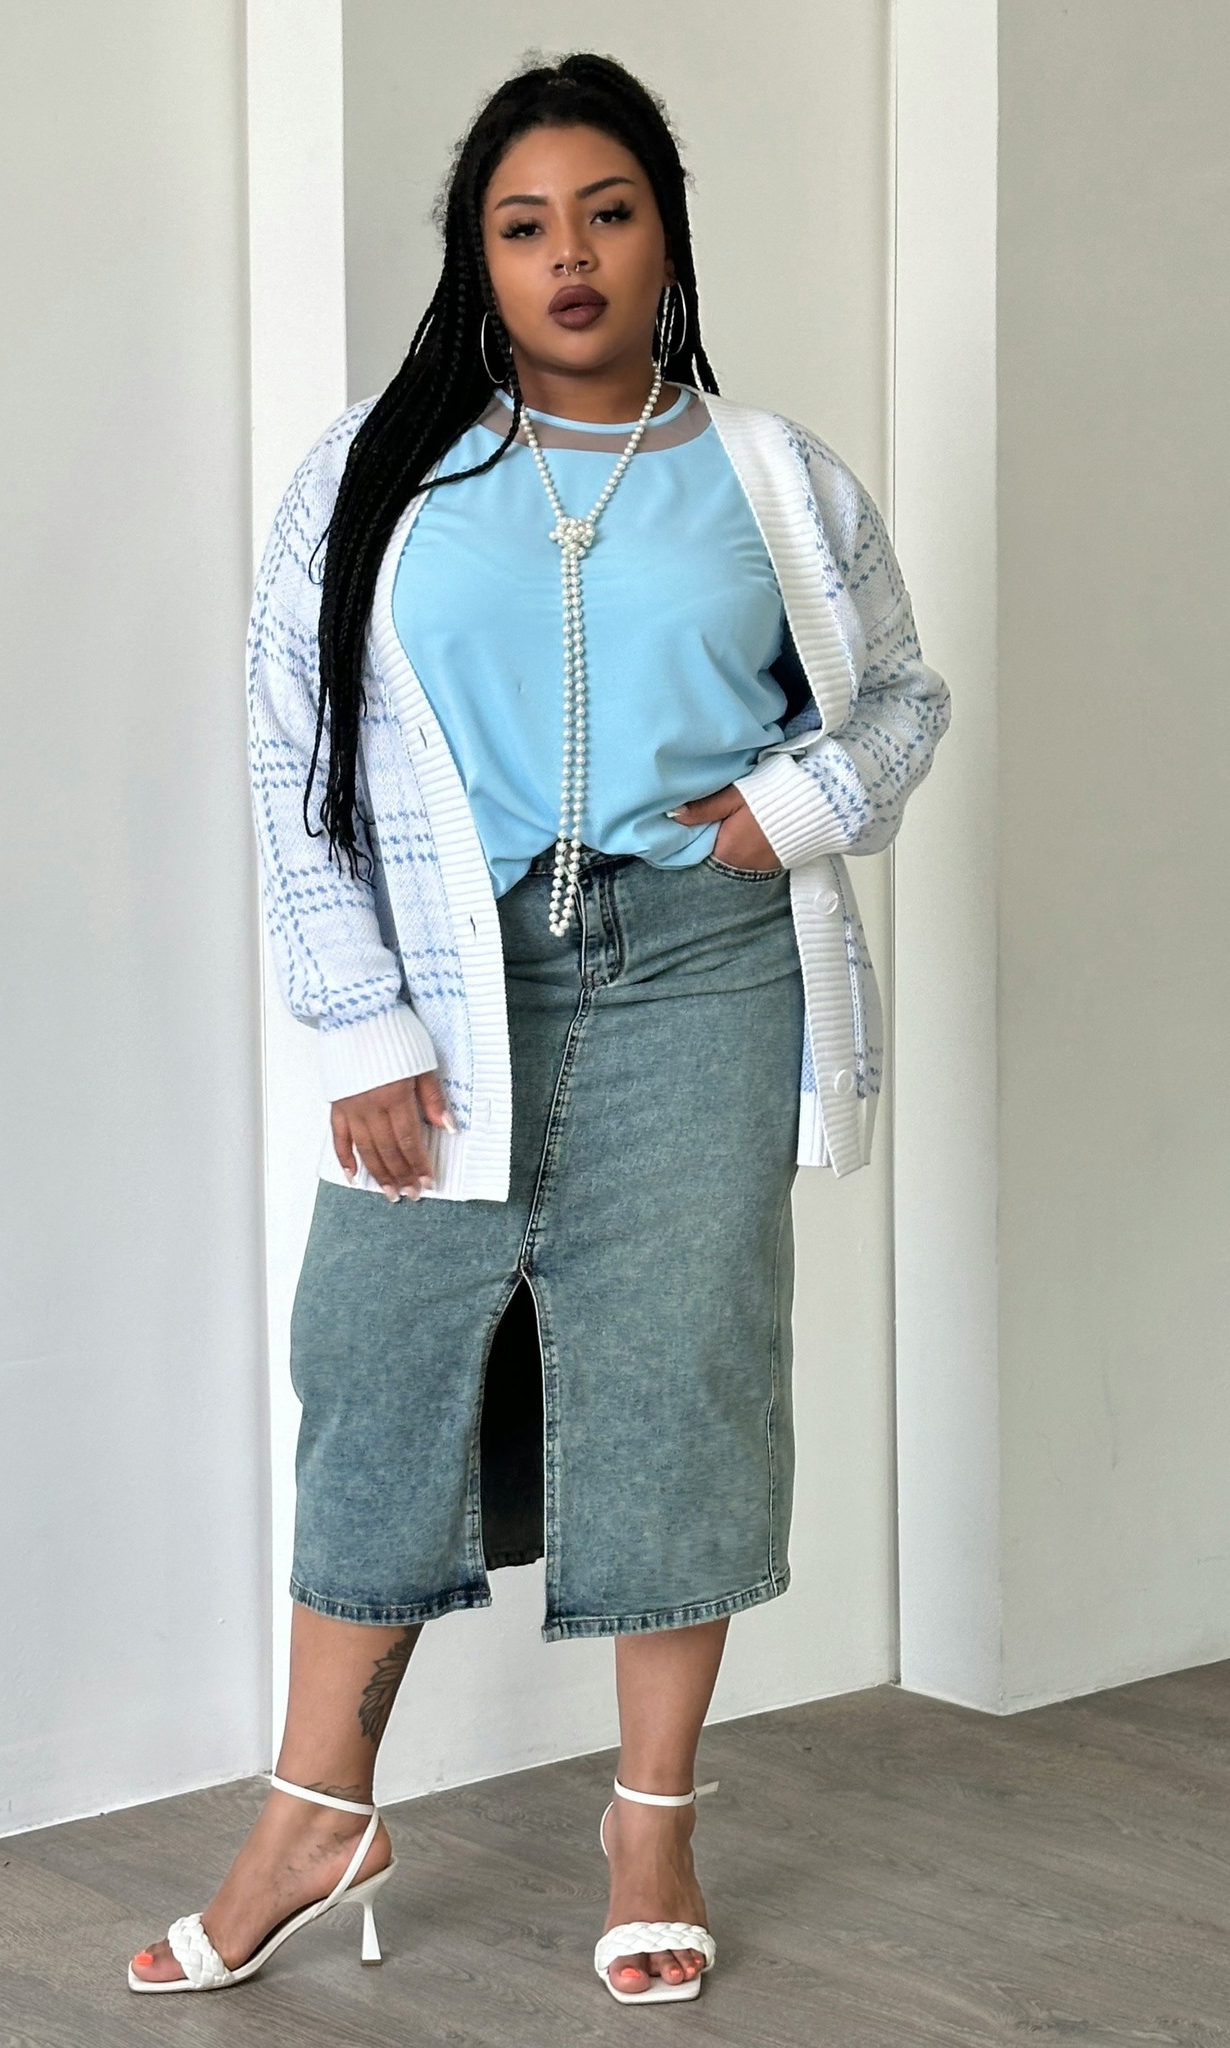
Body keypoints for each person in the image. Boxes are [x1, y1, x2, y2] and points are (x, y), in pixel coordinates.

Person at [128, 50, 948, 2009]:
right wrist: (360, 1025)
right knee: (375, 1361)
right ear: (474, 260)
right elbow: (293, 750)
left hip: (703, 972)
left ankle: (650, 1822)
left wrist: (787, 809)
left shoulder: (772, 476)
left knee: (681, 1383)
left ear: (664, 237)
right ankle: (315, 1810)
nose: (566, 253)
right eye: (520, 225)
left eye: (605, 211)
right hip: (454, 978)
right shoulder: (377, 474)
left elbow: (899, 700)